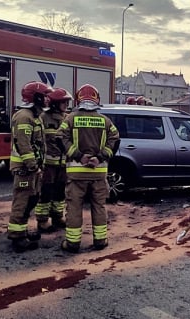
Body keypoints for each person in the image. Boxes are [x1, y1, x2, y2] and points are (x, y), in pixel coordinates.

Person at [56, 84, 120, 253]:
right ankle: (100, 241)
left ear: (78, 99)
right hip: (98, 173)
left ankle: (72, 243)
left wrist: (78, 155)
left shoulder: (70, 118)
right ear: (96, 99)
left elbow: (59, 137)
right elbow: (115, 139)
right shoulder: (105, 120)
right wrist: (99, 158)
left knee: (74, 207)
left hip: (76, 173)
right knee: (99, 206)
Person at [8, 81, 53, 252]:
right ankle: (17, 237)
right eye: (44, 96)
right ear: (36, 97)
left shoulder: (35, 116)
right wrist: (33, 165)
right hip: (25, 169)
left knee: (31, 199)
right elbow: (23, 144)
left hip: (32, 169)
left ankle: (23, 231)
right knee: (22, 201)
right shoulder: (24, 116)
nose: (47, 99)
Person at [35, 88, 72, 232]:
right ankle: (42, 221)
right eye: (64, 102)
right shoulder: (43, 118)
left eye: (67, 102)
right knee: (46, 192)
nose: (66, 104)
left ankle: (58, 217)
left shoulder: (67, 118)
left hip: (63, 164)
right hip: (48, 165)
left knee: (60, 192)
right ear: (55, 103)